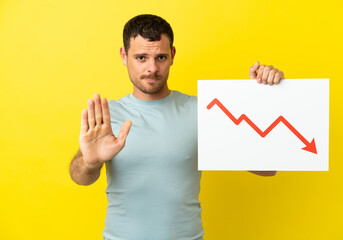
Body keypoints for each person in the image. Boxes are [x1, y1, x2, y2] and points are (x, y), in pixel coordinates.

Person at [69, 14, 285, 240]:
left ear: (172, 55)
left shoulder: (201, 110)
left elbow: (267, 169)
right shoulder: (107, 113)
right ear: (124, 56)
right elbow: (79, 176)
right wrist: (90, 162)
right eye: (141, 57)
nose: (152, 68)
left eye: (160, 57)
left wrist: (261, 98)